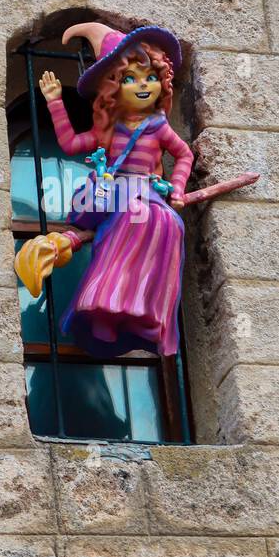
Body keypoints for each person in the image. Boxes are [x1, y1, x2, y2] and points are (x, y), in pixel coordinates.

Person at [15, 20, 193, 358]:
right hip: (117, 193)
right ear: (113, 89)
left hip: (150, 194)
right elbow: (68, 143)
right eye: (131, 79)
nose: (143, 86)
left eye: (150, 77)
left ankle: (148, 313)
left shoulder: (158, 126)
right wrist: (54, 102)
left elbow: (184, 154)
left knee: (172, 225)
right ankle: (105, 307)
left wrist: (179, 190)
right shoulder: (109, 132)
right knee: (135, 218)